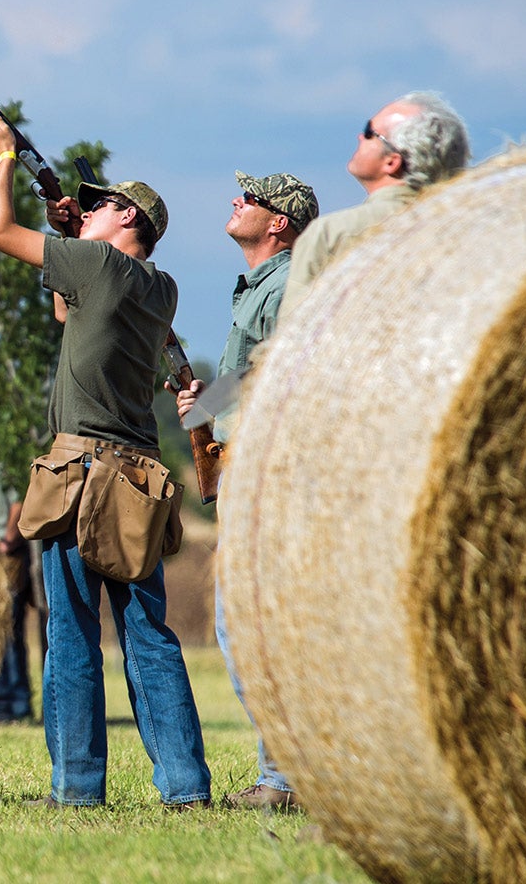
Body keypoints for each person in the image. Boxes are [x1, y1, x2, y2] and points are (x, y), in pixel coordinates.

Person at [0, 110, 211, 808]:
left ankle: (77, 790)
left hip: (81, 474)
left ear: (127, 215)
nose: (91, 207)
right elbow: (65, 314)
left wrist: (5, 160)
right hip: (140, 475)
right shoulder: (159, 288)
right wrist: (72, 228)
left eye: (102, 202)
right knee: (149, 638)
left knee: (71, 636)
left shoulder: (97, 263)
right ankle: (185, 787)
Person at [174, 171, 319, 811]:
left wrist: (214, 405)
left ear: (278, 224)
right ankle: (282, 774)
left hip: (260, 465)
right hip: (244, 460)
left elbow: (281, 370)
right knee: (245, 626)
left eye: (251, 199)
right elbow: (250, 370)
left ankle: (285, 780)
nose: (237, 201)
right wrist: (206, 404)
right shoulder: (260, 287)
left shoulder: (286, 283)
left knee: (251, 625)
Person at [279, 91, 469, 318]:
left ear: (392, 162)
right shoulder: (462, 234)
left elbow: (289, 342)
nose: (360, 137)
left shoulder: (330, 235)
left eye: (370, 133)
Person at [0, 470, 33, 724]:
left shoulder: (7, 461)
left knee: (3, 633)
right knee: (7, 633)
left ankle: (5, 705)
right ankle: (13, 703)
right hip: (3, 552)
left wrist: (7, 541)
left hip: (7, 555)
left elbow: (19, 503)